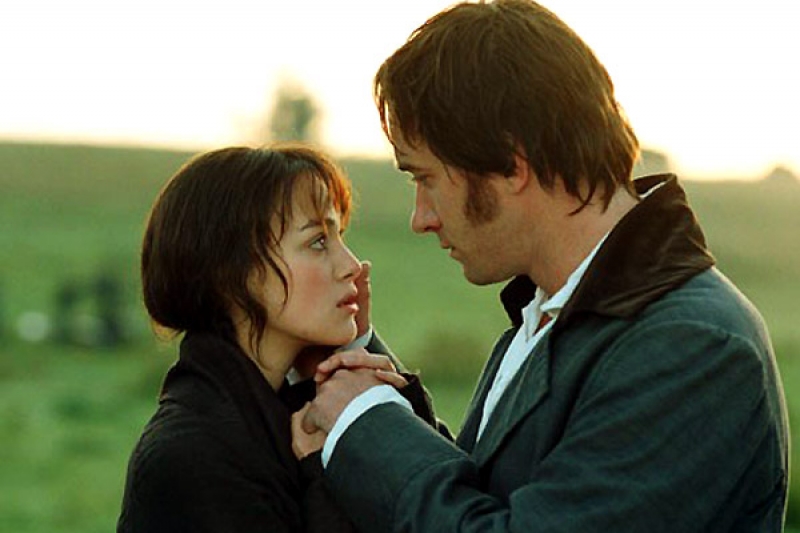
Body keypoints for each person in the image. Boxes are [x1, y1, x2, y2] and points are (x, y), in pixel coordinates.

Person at [293, 1, 790, 531]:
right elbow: (486, 494)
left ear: (511, 165)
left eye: (426, 178)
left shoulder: (692, 346)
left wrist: (365, 425)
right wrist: (354, 358)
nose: (421, 218)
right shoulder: (558, 308)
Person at [117, 145, 431, 532]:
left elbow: (439, 502)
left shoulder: (287, 412)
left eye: (339, 235)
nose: (351, 265)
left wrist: (355, 352)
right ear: (233, 272)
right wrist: (323, 477)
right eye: (318, 241)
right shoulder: (193, 458)